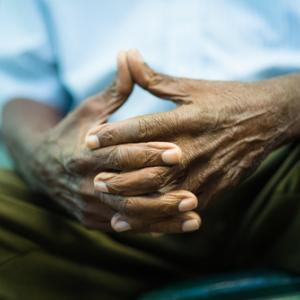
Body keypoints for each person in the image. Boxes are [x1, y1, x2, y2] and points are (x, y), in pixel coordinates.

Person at [1, 0, 300, 299]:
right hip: (98, 193)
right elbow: (23, 86)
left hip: (284, 158)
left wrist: (280, 110)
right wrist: (42, 155)